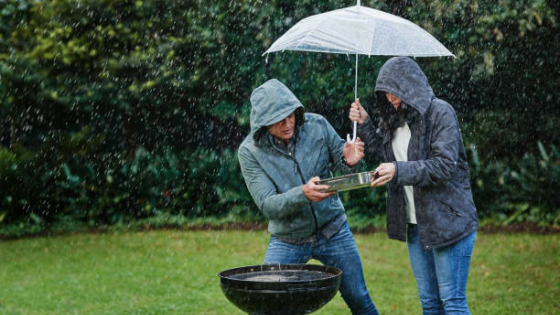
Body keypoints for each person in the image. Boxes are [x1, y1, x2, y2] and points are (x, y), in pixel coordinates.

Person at [238, 78, 380, 315]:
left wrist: (350, 161)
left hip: (333, 229)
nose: (287, 124)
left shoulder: (317, 125)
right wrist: (302, 194)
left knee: (358, 297)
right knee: (266, 303)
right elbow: (268, 205)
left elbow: (346, 170)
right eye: (278, 120)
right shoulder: (250, 152)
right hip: (288, 238)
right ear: (263, 123)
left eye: (290, 115)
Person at [349, 57, 478, 314]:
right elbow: (387, 160)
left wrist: (398, 170)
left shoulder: (440, 112)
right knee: (430, 303)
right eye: (385, 94)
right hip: (416, 225)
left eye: (394, 93)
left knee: (451, 302)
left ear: (410, 86)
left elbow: (443, 166)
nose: (390, 99)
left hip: (448, 221)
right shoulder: (393, 119)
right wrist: (364, 124)